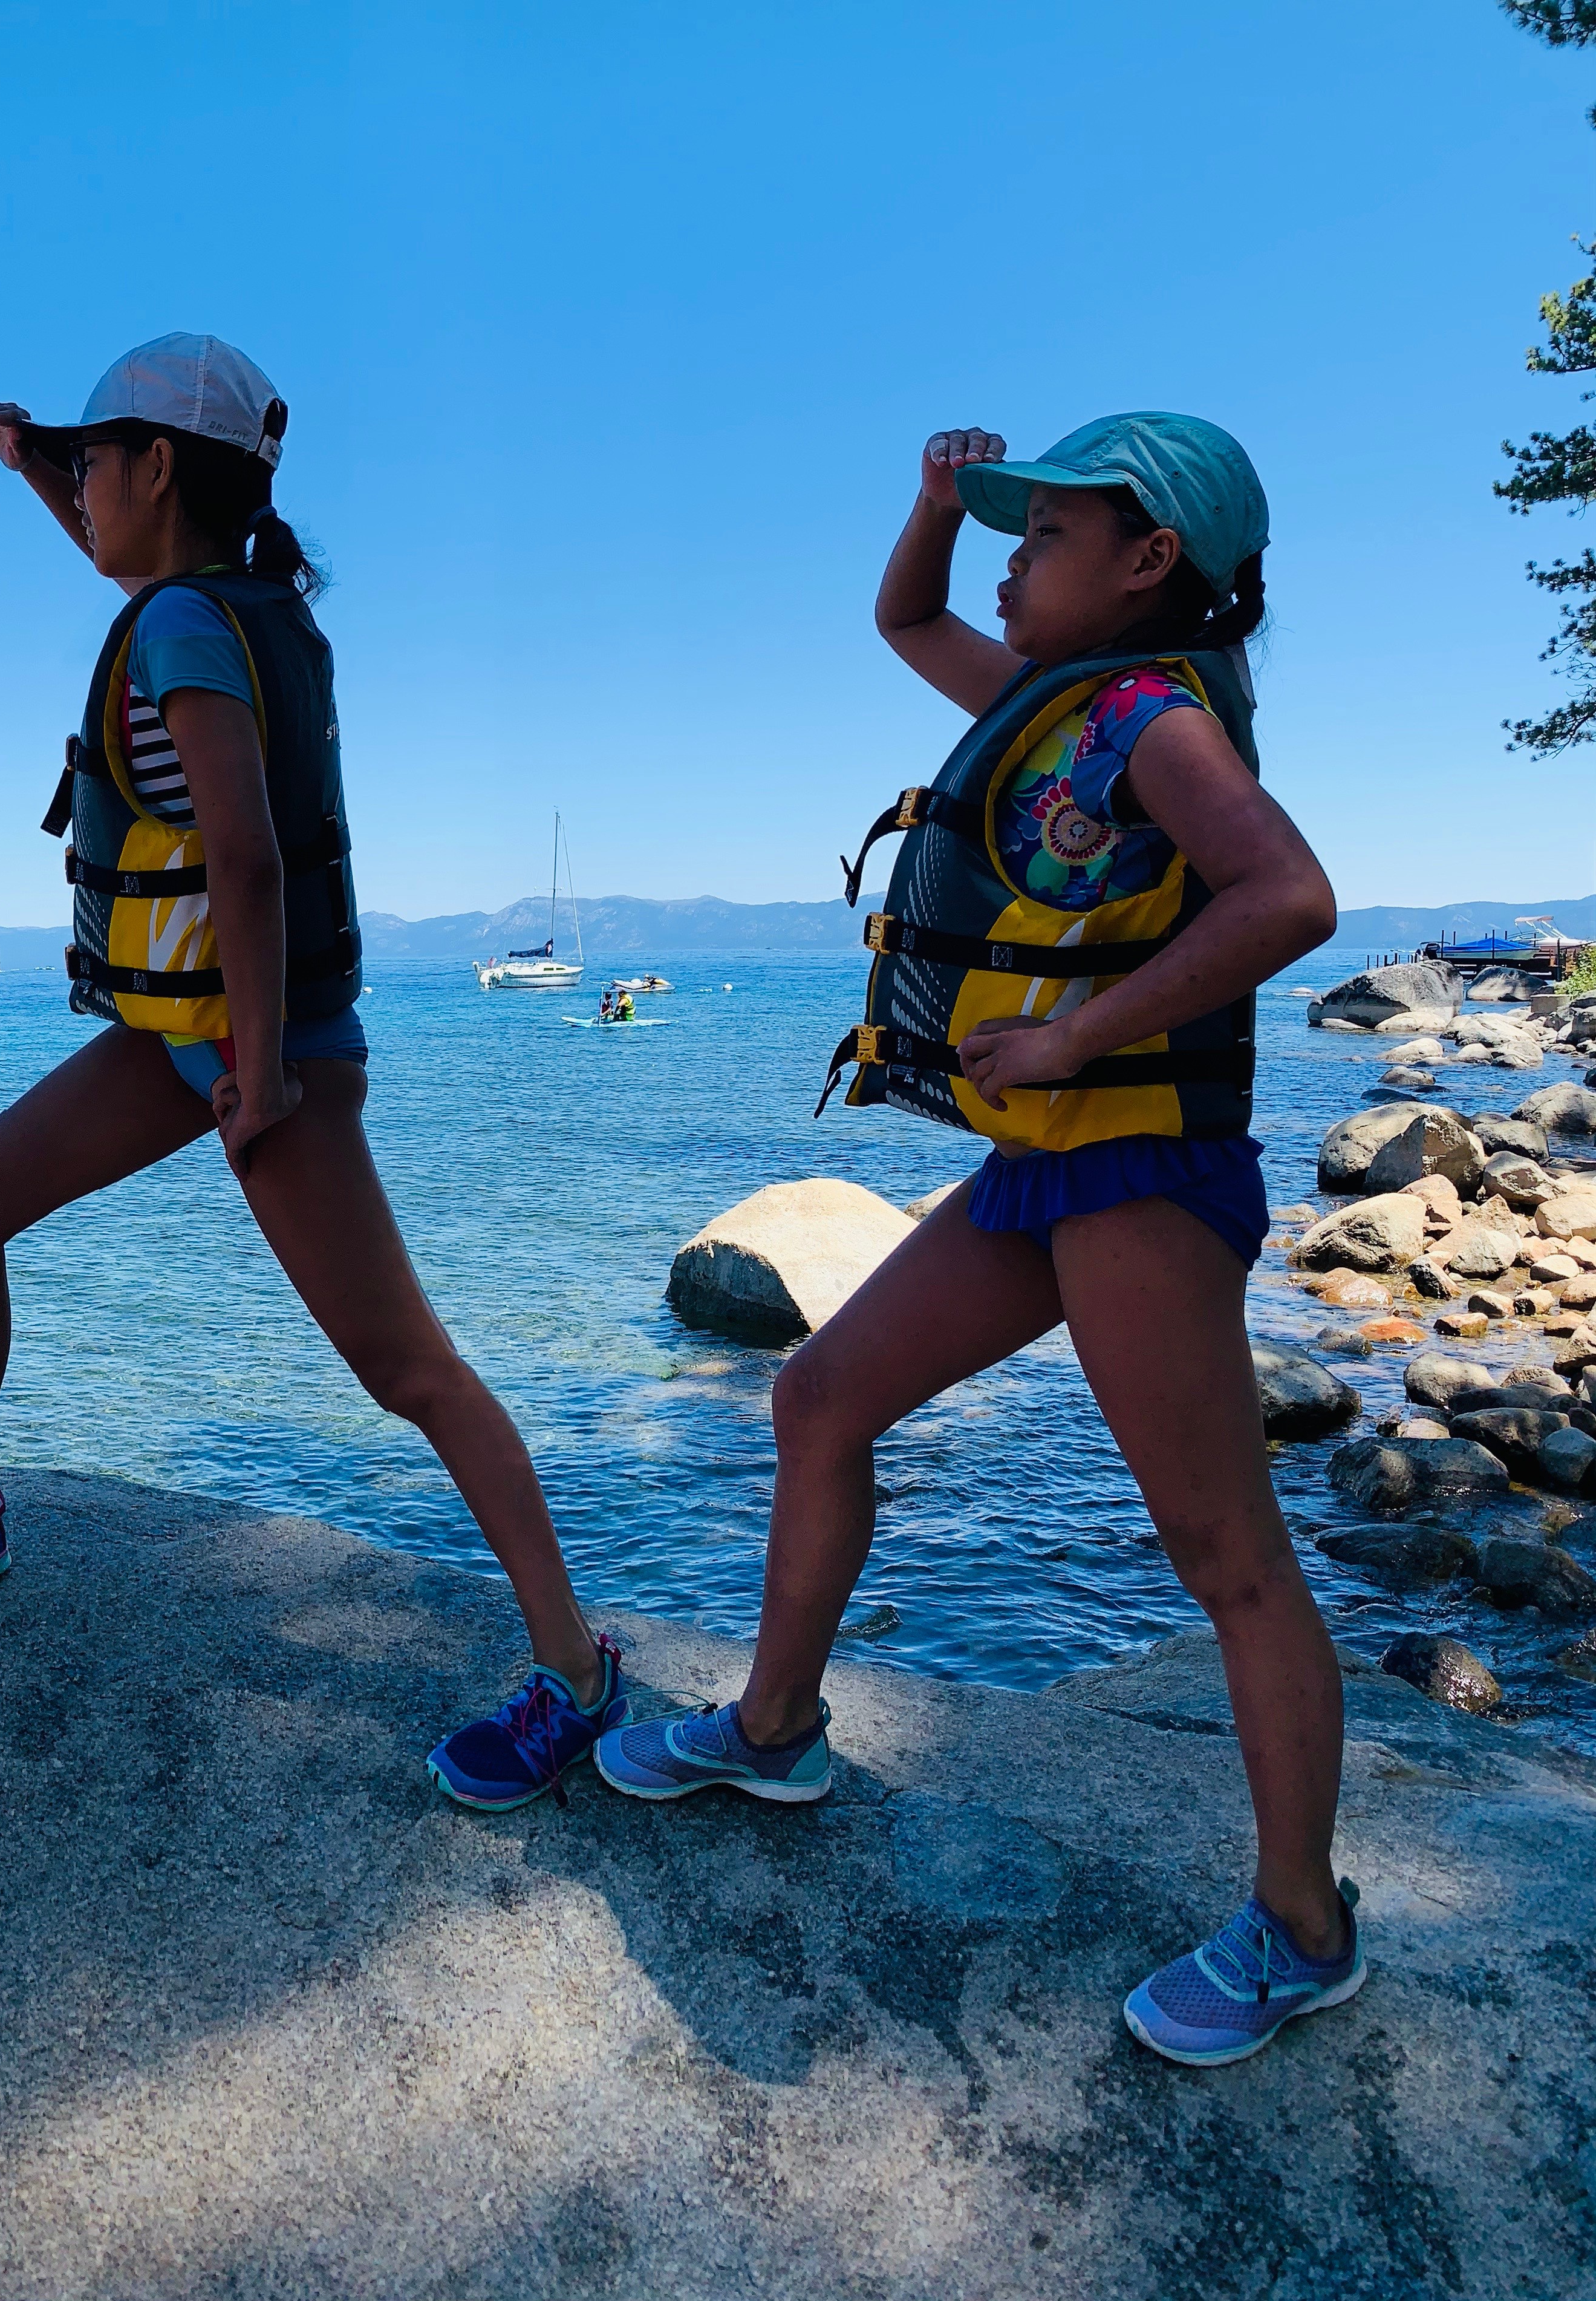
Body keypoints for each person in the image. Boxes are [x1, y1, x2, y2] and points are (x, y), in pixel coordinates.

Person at [594, 414, 1348, 2068]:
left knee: (1223, 1559)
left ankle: (1301, 1927)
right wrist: (928, 506)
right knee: (817, 1397)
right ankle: (773, 1724)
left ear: (1148, 561)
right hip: (1041, 1173)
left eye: (1041, 534)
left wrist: (1077, 1041)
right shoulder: (1046, 709)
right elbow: (904, 623)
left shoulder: (1147, 720)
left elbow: (1286, 897)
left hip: (1134, 1169)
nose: (1007, 564)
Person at [0, 333, 625, 1807]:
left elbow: (238, 854)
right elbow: (132, 561)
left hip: (251, 1048)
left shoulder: (185, 626)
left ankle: (576, 1662)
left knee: (405, 1368)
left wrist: (260, 1070)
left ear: (158, 467)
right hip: (182, 1039)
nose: (82, 493)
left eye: (96, 459)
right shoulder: (223, 602)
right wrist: (36, 465)